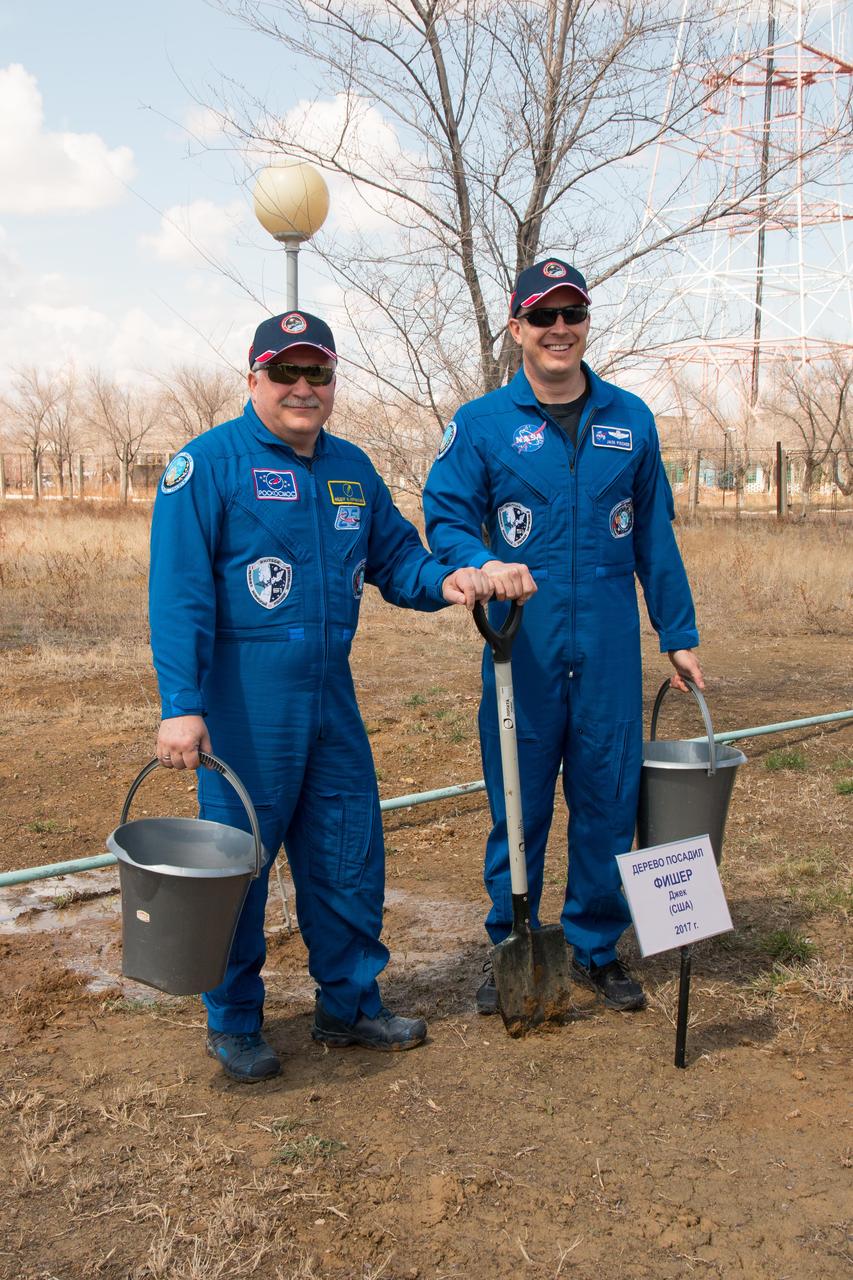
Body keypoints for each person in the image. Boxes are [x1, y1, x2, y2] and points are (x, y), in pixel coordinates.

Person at [150, 310, 493, 1083]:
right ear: (253, 380)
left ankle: (349, 1005)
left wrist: (445, 581)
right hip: (244, 702)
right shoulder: (207, 467)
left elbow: (397, 557)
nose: (303, 388)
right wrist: (181, 703)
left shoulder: (349, 469)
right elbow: (177, 597)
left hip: (329, 696)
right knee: (236, 864)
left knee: (347, 851)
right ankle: (234, 1020)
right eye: (286, 372)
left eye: (319, 374)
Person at [423, 258, 704, 1016]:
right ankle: (512, 942)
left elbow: (654, 536)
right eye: (542, 317)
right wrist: (480, 561)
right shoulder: (481, 424)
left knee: (607, 797)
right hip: (524, 640)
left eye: (570, 315)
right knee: (519, 802)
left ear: (585, 325)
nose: (557, 330)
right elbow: (444, 514)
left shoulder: (630, 418)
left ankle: (593, 945)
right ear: (516, 328)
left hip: (609, 638)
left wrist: (676, 633)